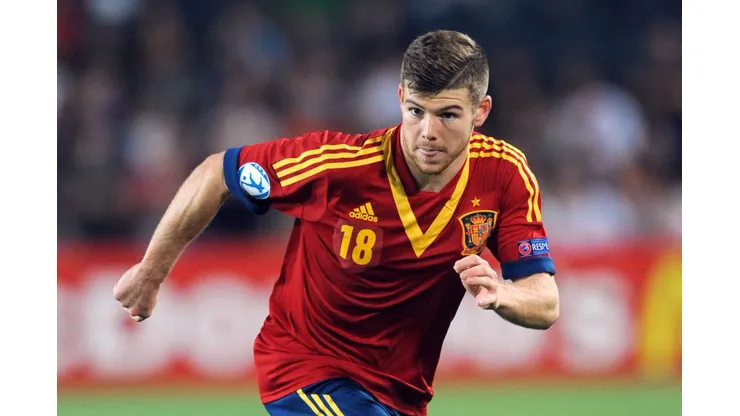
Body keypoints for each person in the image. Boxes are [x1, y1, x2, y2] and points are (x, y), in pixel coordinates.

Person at [113, 30, 560, 416]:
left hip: (400, 394)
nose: (427, 131)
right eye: (416, 111)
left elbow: (545, 302)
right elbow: (218, 173)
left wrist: (503, 293)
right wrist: (152, 271)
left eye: (447, 115)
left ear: (480, 112)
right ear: (400, 99)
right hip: (305, 368)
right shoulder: (338, 166)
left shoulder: (504, 175)